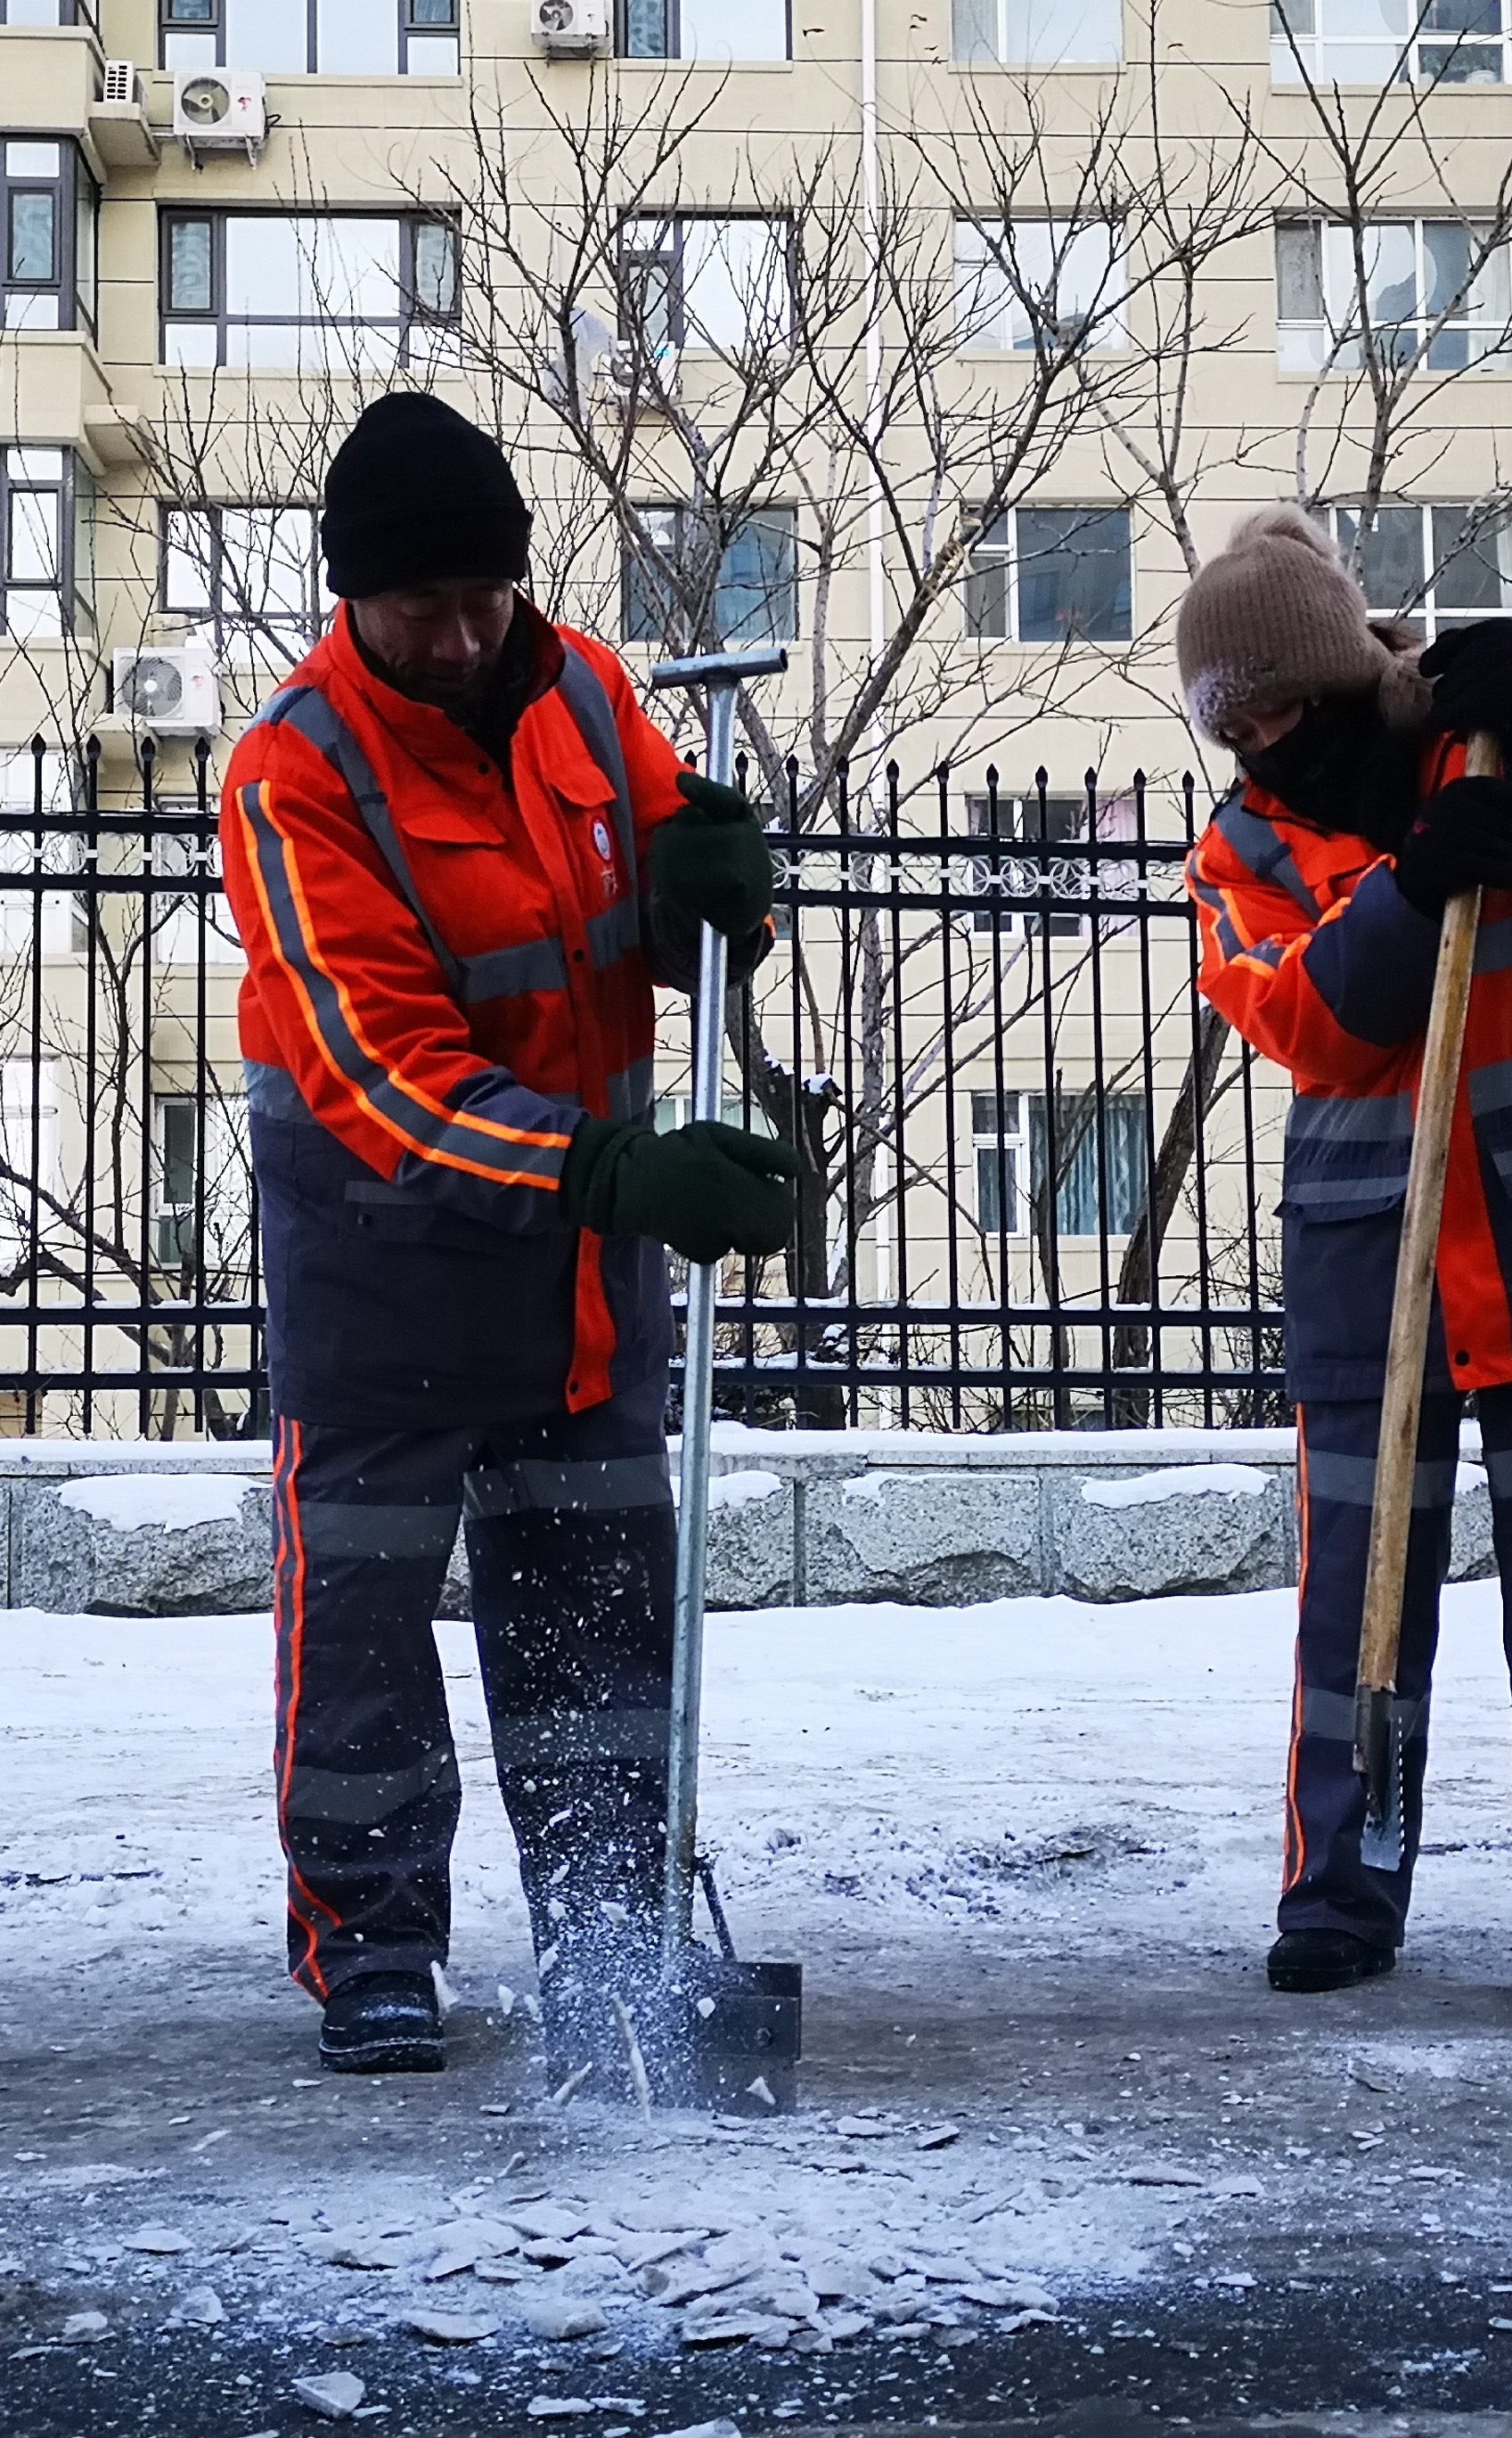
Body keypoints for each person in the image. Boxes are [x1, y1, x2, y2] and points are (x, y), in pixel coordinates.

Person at [219, 392, 797, 2077]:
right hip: (384, 1266)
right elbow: (381, 1071)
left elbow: (666, 896)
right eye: (424, 606)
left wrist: (720, 895)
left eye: (487, 596)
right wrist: (617, 1174)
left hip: (577, 1292)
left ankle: (610, 1936)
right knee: (365, 1636)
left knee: (598, 1626)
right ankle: (373, 1947)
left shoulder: (587, 695)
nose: (465, 636)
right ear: (353, 596)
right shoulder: (293, 776)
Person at [1178, 506, 1512, 2028]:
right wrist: (1411, 893)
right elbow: (1304, 1020)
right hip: (1377, 1268)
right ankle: (1342, 1894)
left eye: (1284, 707)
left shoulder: (1500, 735)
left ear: (1342, 671)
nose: (1268, 744)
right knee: (1355, 1609)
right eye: (1239, 725)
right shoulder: (1239, 848)